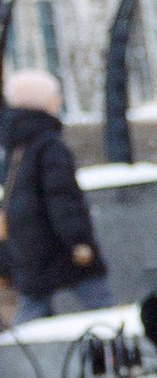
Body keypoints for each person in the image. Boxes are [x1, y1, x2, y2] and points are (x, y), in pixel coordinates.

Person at [2, 69, 105, 316]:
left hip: (28, 247)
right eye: (53, 94)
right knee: (101, 307)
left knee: (31, 308)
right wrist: (79, 240)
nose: (58, 100)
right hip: (59, 245)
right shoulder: (49, 145)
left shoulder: (15, 146)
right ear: (39, 101)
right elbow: (63, 199)